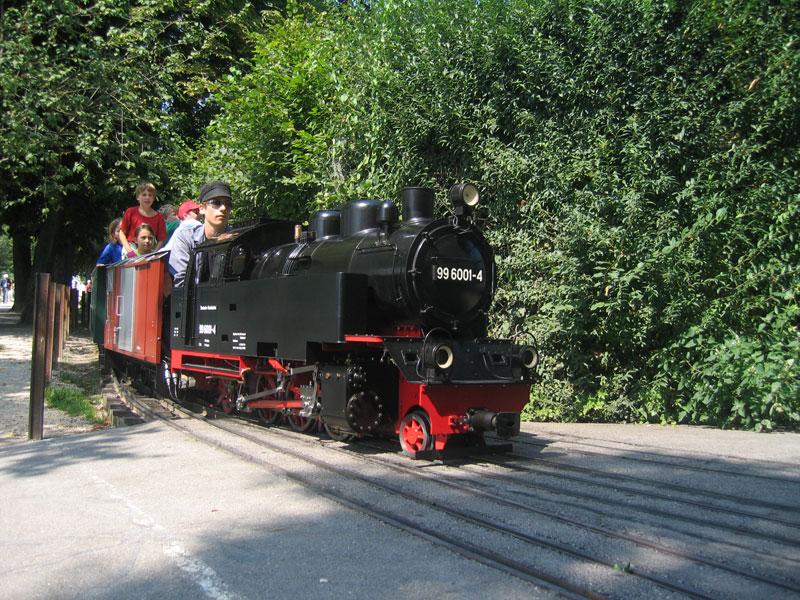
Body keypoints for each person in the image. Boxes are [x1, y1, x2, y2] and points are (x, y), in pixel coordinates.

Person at [168, 181, 232, 288]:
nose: (223, 208)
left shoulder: (237, 238)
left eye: (228, 203)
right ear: (202, 208)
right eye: (216, 202)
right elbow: (181, 283)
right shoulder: (186, 237)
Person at [119, 182, 167, 257]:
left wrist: (154, 254)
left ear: (153, 198)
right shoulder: (130, 212)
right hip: (131, 248)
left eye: (150, 195)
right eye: (144, 195)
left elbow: (161, 239)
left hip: (149, 249)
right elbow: (122, 233)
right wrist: (130, 251)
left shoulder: (159, 217)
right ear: (138, 197)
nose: (147, 197)